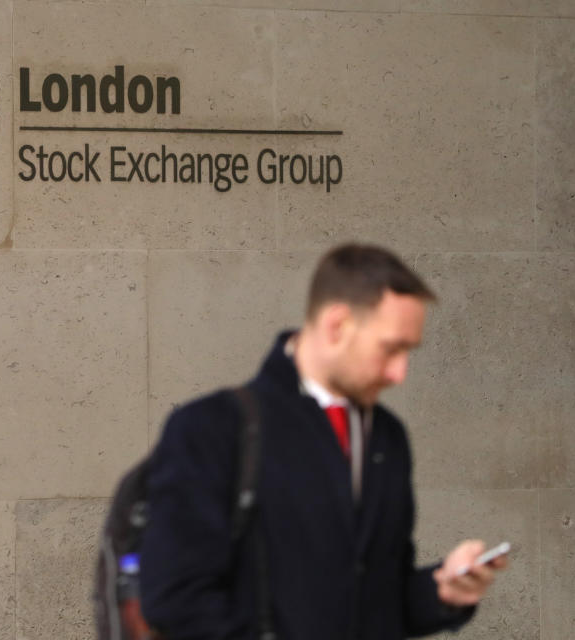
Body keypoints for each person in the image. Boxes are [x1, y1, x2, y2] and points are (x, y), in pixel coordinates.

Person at [139, 244, 508, 640]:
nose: (400, 373)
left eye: (408, 352)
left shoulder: (388, 437)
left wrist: (444, 590)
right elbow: (175, 600)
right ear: (336, 326)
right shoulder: (211, 427)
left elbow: (381, 600)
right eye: (391, 349)